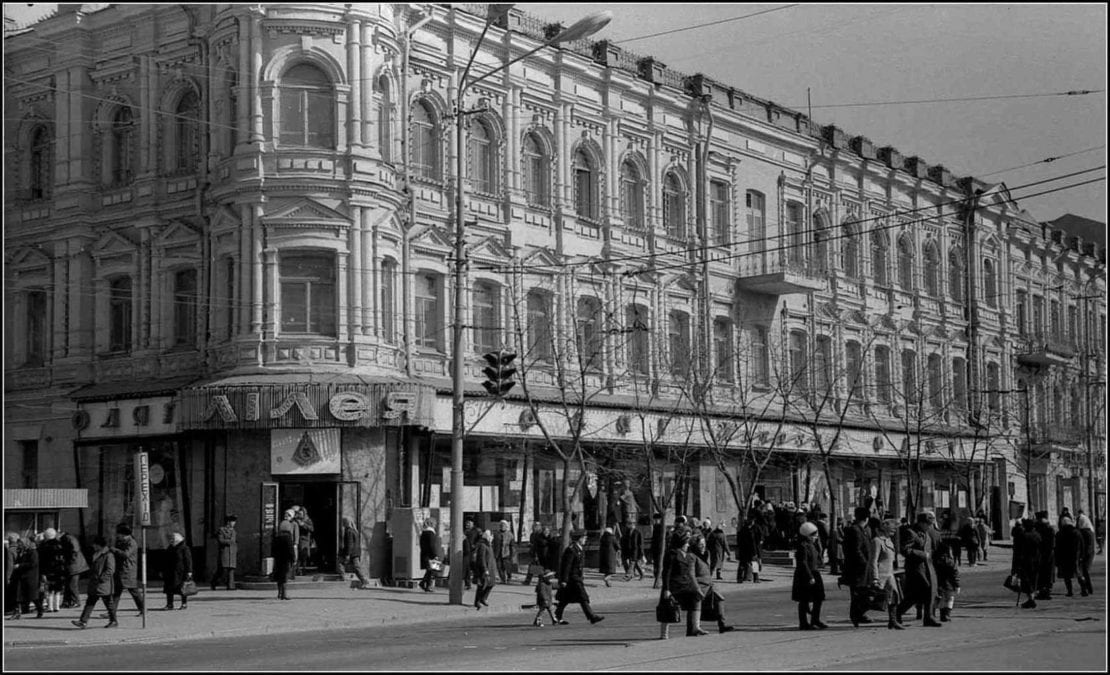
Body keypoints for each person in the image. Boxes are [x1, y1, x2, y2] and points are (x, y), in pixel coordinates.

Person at [896, 512, 941, 626]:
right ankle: (898, 612)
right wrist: (922, 554)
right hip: (915, 568)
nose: (930, 526)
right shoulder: (911, 533)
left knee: (921, 593)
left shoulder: (926, 533)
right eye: (928, 524)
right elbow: (905, 550)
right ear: (921, 523)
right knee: (923, 590)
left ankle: (928, 617)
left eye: (931, 524)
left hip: (927, 567)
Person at [659, 528, 704, 639]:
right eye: (686, 543)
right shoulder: (672, 554)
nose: (688, 545)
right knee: (667, 607)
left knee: (696, 597)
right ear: (681, 543)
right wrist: (666, 589)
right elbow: (666, 573)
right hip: (673, 586)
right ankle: (664, 634)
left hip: (685, 584)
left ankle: (695, 627)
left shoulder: (688, 555)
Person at [554, 529, 604, 626]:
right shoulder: (571, 550)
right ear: (579, 539)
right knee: (583, 597)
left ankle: (557, 616)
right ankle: (592, 616)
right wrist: (564, 580)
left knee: (565, 599)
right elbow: (566, 566)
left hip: (576, 578)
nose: (585, 539)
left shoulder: (579, 549)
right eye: (584, 537)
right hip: (572, 579)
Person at [71, 535, 116, 629]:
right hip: (95, 583)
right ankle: (83, 621)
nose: (93, 546)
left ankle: (113, 621)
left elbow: (110, 570)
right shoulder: (96, 554)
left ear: (100, 545)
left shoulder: (108, 555)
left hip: (103, 584)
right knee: (90, 602)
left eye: (95, 545)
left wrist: (102, 579)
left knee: (109, 603)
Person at [692, 534, 734, 633]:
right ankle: (693, 628)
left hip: (709, 584)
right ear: (695, 545)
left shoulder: (706, 555)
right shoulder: (692, 557)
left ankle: (722, 625)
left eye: (704, 544)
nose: (703, 546)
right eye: (700, 544)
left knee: (719, 598)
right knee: (696, 605)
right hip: (700, 585)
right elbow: (691, 573)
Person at [867, 518, 903, 629]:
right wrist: (875, 578)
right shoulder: (877, 541)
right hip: (881, 575)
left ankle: (892, 620)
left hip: (889, 574)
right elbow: (873, 561)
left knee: (894, 596)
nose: (894, 531)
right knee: (875, 599)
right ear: (885, 528)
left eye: (895, 529)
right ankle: (858, 611)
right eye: (892, 529)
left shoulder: (889, 541)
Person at [841, 506, 873, 627]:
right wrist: (864, 563)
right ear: (866, 518)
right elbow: (856, 550)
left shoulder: (863, 530)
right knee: (858, 593)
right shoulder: (855, 530)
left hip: (862, 568)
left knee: (862, 592)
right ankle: (856, 615)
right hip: (857, 569)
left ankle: (859, 614)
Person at [793, 522, 827, 630]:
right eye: (814, 535)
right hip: (805, 575)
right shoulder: (803, 546)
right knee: (804, 600)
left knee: (819, 598)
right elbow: (803, 562)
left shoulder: (812, 545)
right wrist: (810, 576)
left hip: (814, 573)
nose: (816, 537)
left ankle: (815, 620)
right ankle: (803, 623)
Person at [109, 524, 144, 616]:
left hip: (128, 570)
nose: (117, 535)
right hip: (121, 570)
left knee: (134, 591)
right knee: (116, 592)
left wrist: (115, 550)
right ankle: (112, 612)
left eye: (119, 534)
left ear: (124, 534)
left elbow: (126, 554)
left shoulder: (131, 542)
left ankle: (143, 609)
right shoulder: (121, 541)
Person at [8, 534, 43, 620]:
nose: (19, 545)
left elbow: (33, 564)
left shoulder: (33, 552)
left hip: (30, 578)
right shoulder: (23, 551)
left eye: (20, 543)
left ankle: (40, 610)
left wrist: (20, 565)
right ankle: (17, 613)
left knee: (33, 597)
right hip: (22, 577)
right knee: (18, 596)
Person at [1012, 517, 1041, 609]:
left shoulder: (1024, 536)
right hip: (1036, 560)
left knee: (1026, 580)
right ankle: (1032, 598)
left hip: (1026, 561)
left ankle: (1031, 599)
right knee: (1033, 579)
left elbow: (1019, 550)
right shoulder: (1037, 535)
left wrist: (1016, 564)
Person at [162, 532, 193, 610]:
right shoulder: (170, 547)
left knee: (183, 588)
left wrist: (189, 571)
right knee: (169, 589)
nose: (171, 541)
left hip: (181, 572)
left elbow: (188, 560)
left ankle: (184, 603)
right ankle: (169, 604)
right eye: (171, 539)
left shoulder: (184, 548)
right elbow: (165, 559)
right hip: (170, 571)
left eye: (173, 539)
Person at [58, 529, 88, 608]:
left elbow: (75, 549)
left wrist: (71, 558)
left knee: (72, 585)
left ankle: (76, 601)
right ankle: (67, 601)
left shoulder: (68, 538)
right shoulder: (67, 538)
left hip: (74, 565)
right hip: (73, 564)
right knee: (68, 584)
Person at [338, 517, 370, 589]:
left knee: (342, 563)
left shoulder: (348, 531)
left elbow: (350, 544)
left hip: (352, 553)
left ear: (346, 523)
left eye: (343, 522)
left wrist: (347, 554)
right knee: (356, 567)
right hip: (356, 552)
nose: (342, 523)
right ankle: (363, 580)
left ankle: (344, 578)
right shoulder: (354, 531)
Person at [38, 528, 66, 614]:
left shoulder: (44, 546)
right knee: (58, 589)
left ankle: (50, 606)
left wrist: (42, 572)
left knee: (49, 589)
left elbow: (41, 561)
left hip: (48, 570)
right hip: (59, 570)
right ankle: (57, 606)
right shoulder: (60, 545)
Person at [1054, 516, 1083, 597]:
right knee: (1078, 573)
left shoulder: (1059, 533)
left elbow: (1057, 547)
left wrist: (1057, 558)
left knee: (1066, 576)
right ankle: (1084, 589)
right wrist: (1082, 555)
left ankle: (1070, 591)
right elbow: (1082, 544)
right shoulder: (1076, 532)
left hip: (1064, 556)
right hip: (1075, 555)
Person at [934, 540, 960, 622]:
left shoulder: (935, 560)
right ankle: (947, 614)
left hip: (938, 583)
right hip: (949, 584)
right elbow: (955, 574)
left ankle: (942, 614)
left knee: (941, 599)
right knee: (950, 599)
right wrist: (957, 585)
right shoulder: (950, 562)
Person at [211, 515, 238, 591]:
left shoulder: (234, 531)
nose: (234, 523)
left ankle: (231, 586)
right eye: (232, 521)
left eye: (234, 522)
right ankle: (214, 582)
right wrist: (229, 542)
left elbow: (234, 540)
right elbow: (221, 540)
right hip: (225, 552)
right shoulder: (222, 530)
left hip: (232, 552)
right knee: (222, 569)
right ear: (228, 522)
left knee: (231, 569)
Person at [1033, 511, 1056, 600]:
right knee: (1047, 574)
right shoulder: (1049, 528)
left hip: (1043, 554)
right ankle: (1046, 591)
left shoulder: (1040, 528)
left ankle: (1044, 591)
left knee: (1043, 573)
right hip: (1048, 553)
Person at [472, 529, 497, 610]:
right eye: (491, 536)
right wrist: (484, 569)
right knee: (482, 585)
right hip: (485, 569)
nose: (492, 538)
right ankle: (477, 601)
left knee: (491, 584)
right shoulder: (483, 545)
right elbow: (481, 558)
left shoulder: (489, 544)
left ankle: (483, 598)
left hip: (491, 568)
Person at [272, 519, 295, 600]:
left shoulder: (277, 536)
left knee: (279, 577)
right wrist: (293, 558)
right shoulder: (288, 537)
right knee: (285, 577)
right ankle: (284, 594)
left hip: (278, 559)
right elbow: (290, 550)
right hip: (286, 560)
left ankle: (279, 593)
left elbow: (273, 549)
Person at [418, 518, 442, 593]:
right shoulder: (431, 533)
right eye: (434, 523)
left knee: (430, 570)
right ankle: (425, 584)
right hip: (430, 555)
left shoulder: (424, 532)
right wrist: (435, 554)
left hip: (425, 553)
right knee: (432, 570)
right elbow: (432, 545)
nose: (435, 525)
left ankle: (426, 585)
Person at [1076, 512, 1096, 596]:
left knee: (1084, 571)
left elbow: (1087, 545)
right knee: (1084, 571)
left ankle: (1087, 588)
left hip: (1086, 554)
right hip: (1088, 553)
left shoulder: (1085, 532)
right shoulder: (1089, 530)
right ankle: (1088, 588)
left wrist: (1082, 555)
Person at [492, 520, 516, 584]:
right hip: (498, 553)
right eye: (501, 525)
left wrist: (512, 554)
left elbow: (512, 545)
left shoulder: (510, 534)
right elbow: (493, 543)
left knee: (507, 567)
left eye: (504, 525)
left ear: (506, 526)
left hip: (506, 553)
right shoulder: (496, 534)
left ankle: (509, 577)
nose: (502, 526)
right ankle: (503, 579)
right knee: (499, 567)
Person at [277, 509, 299, 581]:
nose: (286, 516)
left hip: (291, 543)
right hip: (284, 543)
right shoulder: (283, 523)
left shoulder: (294, 524)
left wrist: (295, 543)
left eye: (288, 515)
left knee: (292, 560)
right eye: (285, 515)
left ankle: (291, 575)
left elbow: (296, 534)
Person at [621, 517, 645, 581]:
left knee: (633, 563)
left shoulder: (638, 532)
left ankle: (628, 576)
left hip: (635, 551)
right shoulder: (626, 532)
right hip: (627, 551)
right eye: (628, 523)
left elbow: (641, 544)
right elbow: (623, 541)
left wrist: (641, 553)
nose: (628, 525)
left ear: (633, 524)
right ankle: (631, 574)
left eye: (629, 524)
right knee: (628, 563)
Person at [294, 507, 314, 575]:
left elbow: (311, 529)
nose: (300, 515)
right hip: (297, 539)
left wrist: (303, 525)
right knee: (297, 556)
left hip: (304, 540)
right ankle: (297, 570)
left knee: (304, 556)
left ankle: (303, 569)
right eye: (299, 513)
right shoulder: (296, 520)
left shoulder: (308, 520)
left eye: (301, 513)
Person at [462, 519, 480, 590]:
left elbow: (479, 540)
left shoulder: (476, 531)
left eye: (469, 523)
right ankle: (468, 583)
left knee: (472, 567)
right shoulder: (464, 531)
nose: (467, 524)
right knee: (467, 568)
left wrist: (475, 546)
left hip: (472, 551)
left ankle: (474, 580)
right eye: (466, 523)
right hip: (465, 552)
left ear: (472, 523)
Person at [650, 513, 665, 589]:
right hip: (656, 549)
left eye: (657, 520)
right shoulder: (655, 527)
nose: (655, 521)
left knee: (659, 565)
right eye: (655, 520)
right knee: (656, 565)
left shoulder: (661, 527)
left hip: (660, 549)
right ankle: (657, 580)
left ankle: (658, 580)